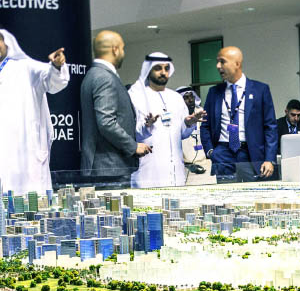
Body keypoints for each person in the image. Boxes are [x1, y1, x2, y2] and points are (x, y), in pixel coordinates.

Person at [0, 22, 68, 194]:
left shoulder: (26, 68)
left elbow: (54, 82)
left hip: (25, 162)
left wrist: (56, 66)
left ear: (6, 42)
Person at [81, 30, 152, 185]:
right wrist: (133, 147)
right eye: (122, 48)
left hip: (105, 167)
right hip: (110, 168)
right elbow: (106, 122)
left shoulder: (94, 74)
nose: (123, 53)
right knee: (114, 210)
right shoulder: (104, 77)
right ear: (115, 49)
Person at [129, 53, 206, 188]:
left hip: (176, 171)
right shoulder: (136, 96)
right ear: (148, 70)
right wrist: (147, 125)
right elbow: (130, 134)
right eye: (158, 68)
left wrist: (188, 123)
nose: (163, 72)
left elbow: (182, 134)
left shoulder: (176, 97)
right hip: (149, 171)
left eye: (166, 68)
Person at [200, 46, 277, 183]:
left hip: (251, 153)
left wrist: (269, 159)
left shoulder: (260, 90)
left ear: (237, 64)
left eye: (222, 62)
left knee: (251, 199)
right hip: (223, 154)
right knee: (226, 200)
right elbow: (205, 125)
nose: (218, 66)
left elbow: (270, 126)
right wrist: (211, 152)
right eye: (217, 62)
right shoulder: (214, 92)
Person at [176, 86, 209, 176]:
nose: (190, 100)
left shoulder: (201, 113)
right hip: (185, 166)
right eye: (186, 98)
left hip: (205, 162)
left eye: (192, 96)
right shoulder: (175, 117)